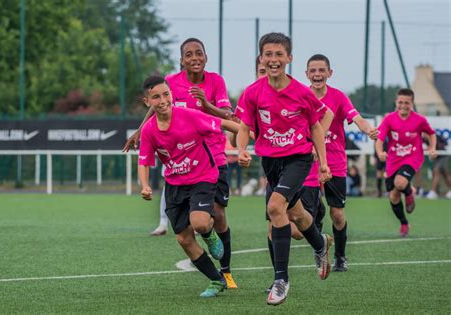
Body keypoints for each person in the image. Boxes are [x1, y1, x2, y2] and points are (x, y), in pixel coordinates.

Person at [123, 38, 238, 288]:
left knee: (217, 214)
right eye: (189, 54)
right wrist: (139, 131)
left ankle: (226, 271)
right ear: (181, 60)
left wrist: (206, 104)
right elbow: (155, 106)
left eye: (199, 53)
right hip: (182, 166)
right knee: (192, 228)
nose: (194, 58)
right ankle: (216, 272)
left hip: (213, 156)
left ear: (206, 57)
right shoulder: (171, 83)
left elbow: (229, 117)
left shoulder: (215, 81)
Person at [236, 33, 333, 306]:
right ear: (261, 59)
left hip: (298, 160)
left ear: (289, 58)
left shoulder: (302, 93)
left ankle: (281, 280)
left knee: (275, 208)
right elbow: (244, 126)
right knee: (297, 215)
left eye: (279, 54)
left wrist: (323, 163)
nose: (274, 60)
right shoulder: (253, 92)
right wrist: (242, 149)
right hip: (270, 162)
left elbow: (315, 126)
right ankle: (320, 244)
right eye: (268, 54)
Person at [305, 54, 378, 272]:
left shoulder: (338, 97)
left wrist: (368, 130)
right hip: (307, 163)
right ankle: (320, 248)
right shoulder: (301, 95)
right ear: (307, 74)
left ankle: (340, 256)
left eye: (321, 70)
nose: (317, 75)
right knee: (308, 215)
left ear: (329, 73)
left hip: (334, 162)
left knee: (336, 213)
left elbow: (356, 118)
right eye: (313, 71)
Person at [376, 88, 437, 237]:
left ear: (412, 103)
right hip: (393, 160)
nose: (403, 105)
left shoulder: (419, 120)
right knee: (393, 196)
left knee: (400, 183)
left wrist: (432, 148)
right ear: (396, 102)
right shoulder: (389, 119)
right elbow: (379, 139)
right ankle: (404, 223)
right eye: (401, 102)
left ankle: (409, 192)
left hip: (413, 157)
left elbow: (431, 133)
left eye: (407, 103)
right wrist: (380, 152)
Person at [426, 134, 451, 199]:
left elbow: (436, 146)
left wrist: (431, 148)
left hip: (443, 155)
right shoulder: (423, 138)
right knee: (445, 174)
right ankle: (436, 192)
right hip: (437, 157)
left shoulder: (433, 136)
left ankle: (433, 192)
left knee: (436, 171)